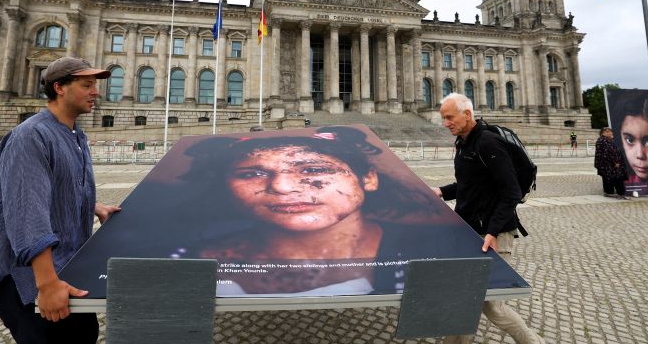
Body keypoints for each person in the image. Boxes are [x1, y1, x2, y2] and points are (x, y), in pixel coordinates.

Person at [167, 125, 452, 296]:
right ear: (224, 186)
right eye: (252, 173)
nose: (282, 187)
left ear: (368, 178)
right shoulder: (180, 263)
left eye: (314, 169)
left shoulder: (438, 250)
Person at [0, 57, 121, 344]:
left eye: (95, 85)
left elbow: (58, 187)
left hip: (66, 268)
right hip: (30, 279)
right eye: (86, 85)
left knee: (84, 334)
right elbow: (27, 213)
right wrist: (48, 284)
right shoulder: (30, 136)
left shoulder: (75, 134)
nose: (96, 92)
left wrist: (94, 206)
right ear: (59, 88)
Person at [433, 93, 545, 344]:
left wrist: (493, 232)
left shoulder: (488, 143)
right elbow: (468, 185)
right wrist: (441, 191)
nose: (446, 123)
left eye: (449, 117)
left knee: (492, 305)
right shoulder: (464, 143)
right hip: (469, 232)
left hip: (493, 235)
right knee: (464, 299)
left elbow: (511, 192)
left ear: (467, 114)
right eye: (443, 118)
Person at [594, 127, 628, 199]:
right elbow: (608, 153)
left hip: (609, 165)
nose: (611, 133)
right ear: (603, 133)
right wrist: (615, 162)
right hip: (610, 165)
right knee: (616, 177)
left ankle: (609, 192)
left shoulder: (607, 140)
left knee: (609, 178)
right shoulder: (602, 141)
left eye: (611, 132)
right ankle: (620, 194)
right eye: (608, 132)